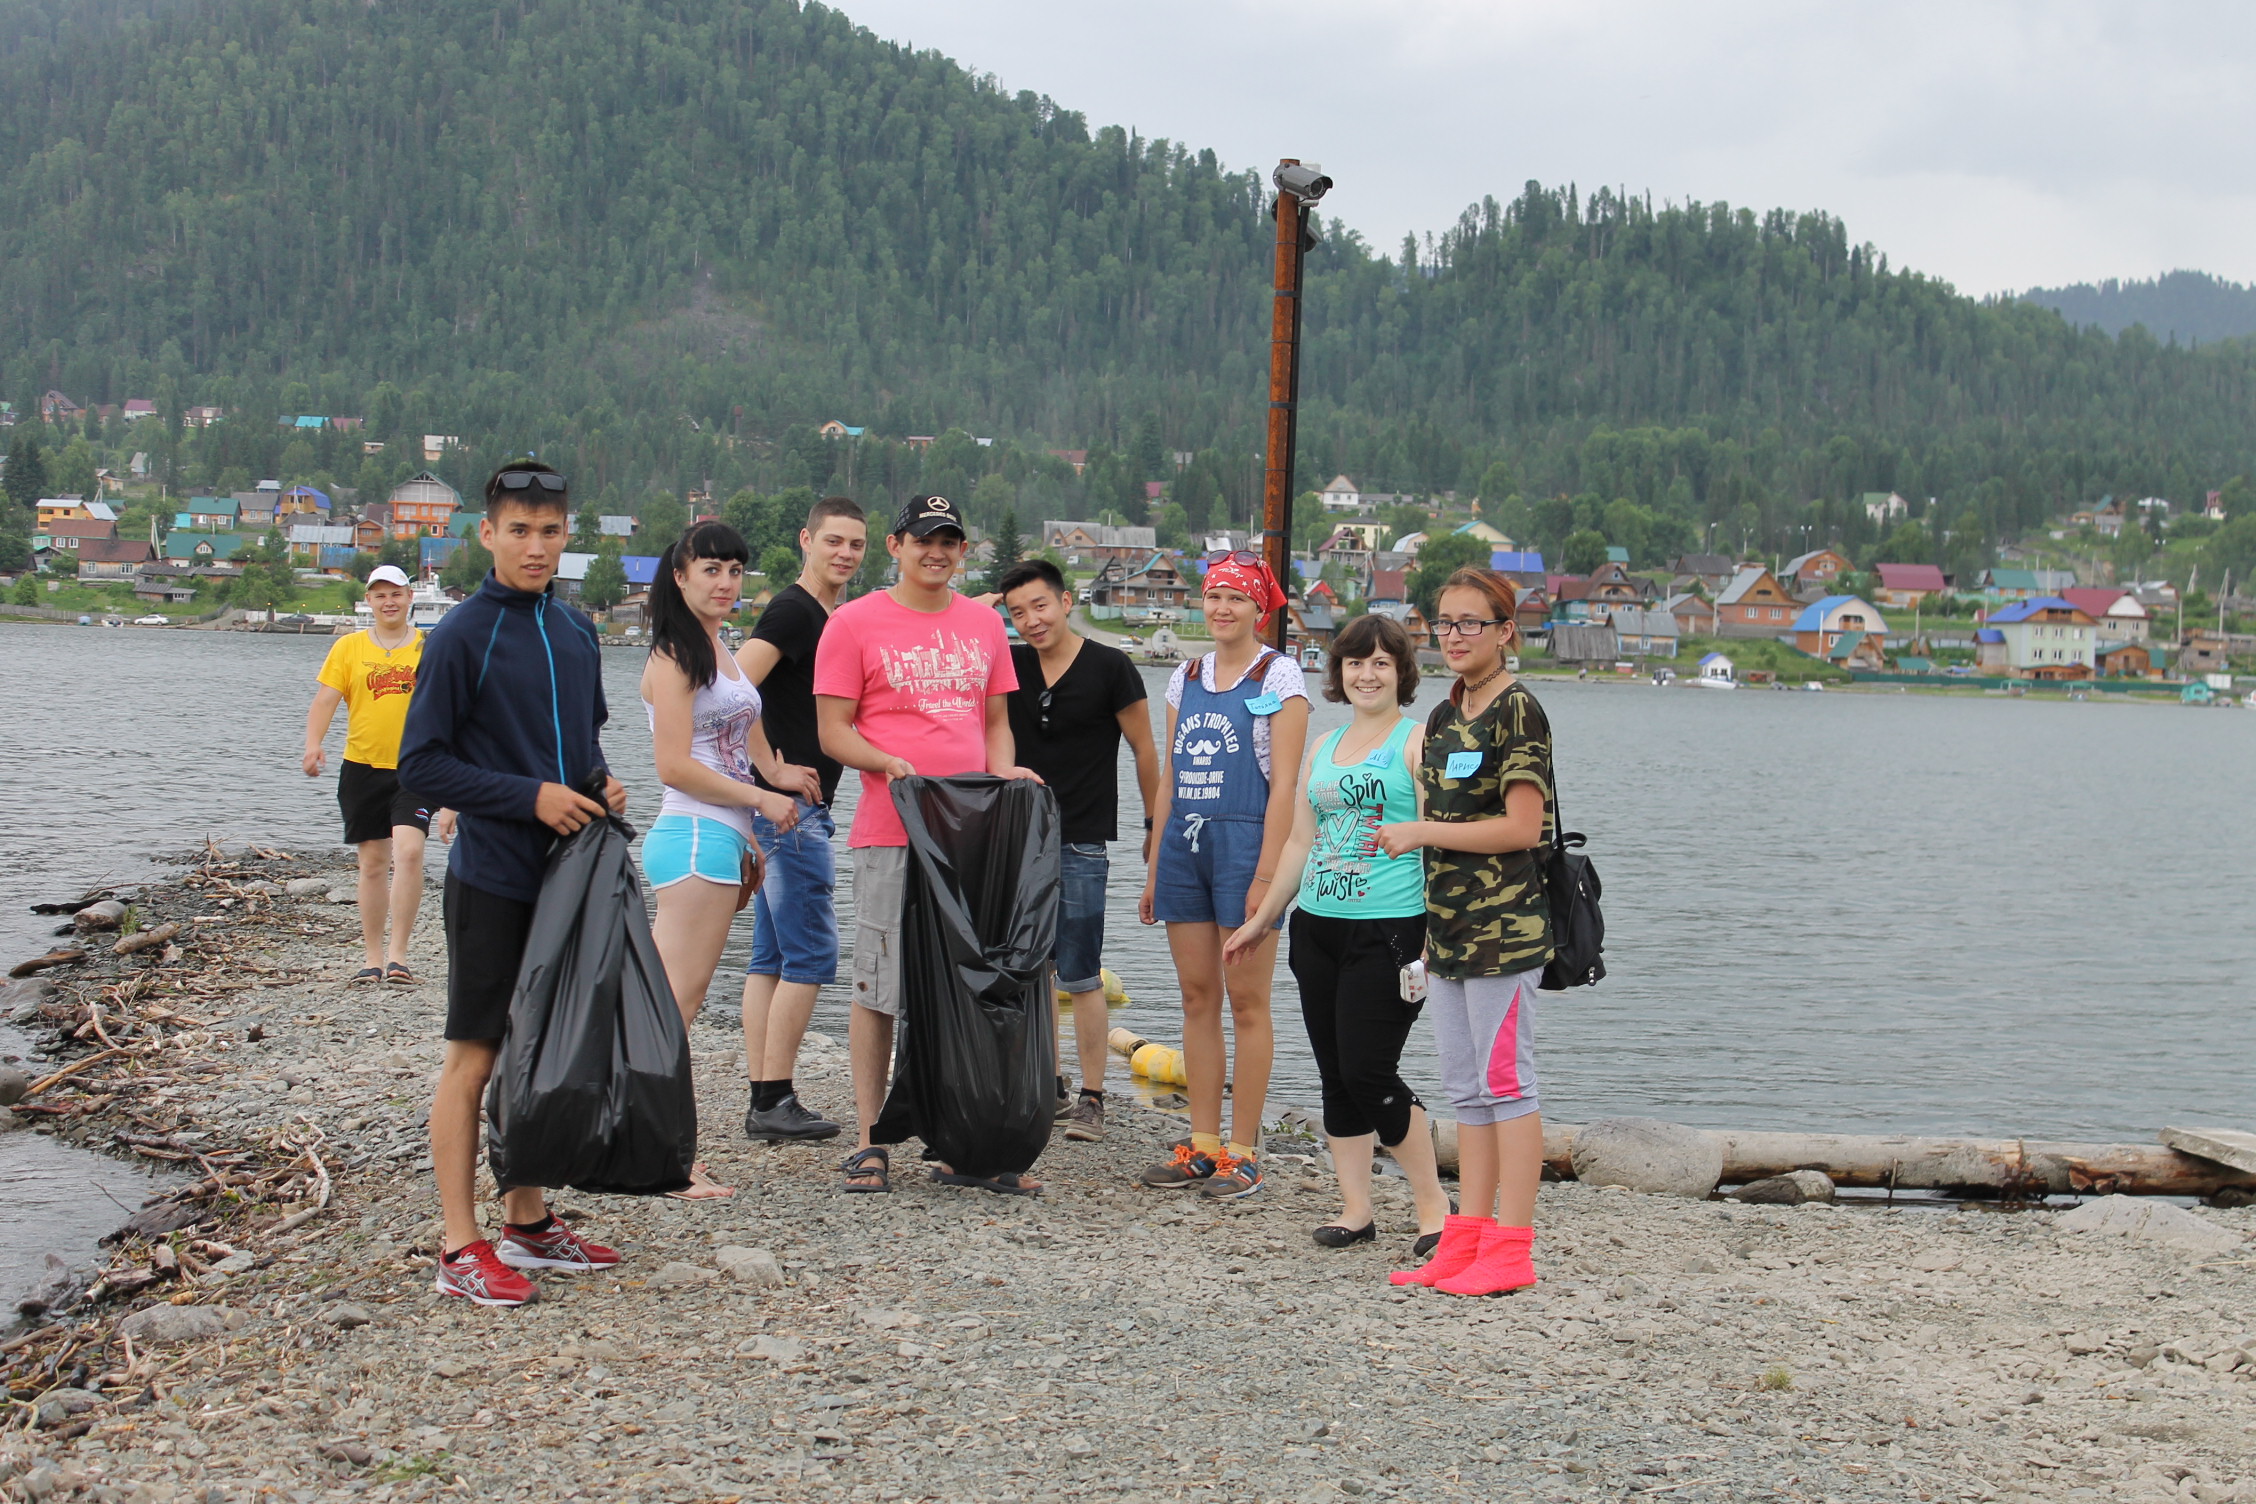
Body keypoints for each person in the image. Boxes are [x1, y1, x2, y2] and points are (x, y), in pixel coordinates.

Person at [397, 461, 628, 1307]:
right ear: (487, 534)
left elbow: (580, 743)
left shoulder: (576, 630)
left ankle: (525, 1223)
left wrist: (601, 784)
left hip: (566, 880)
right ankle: (459, 1245)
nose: (536, 547)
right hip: (493, 876)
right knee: (477, 1055)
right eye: (519, 531)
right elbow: (420, 766)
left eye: (550, 531)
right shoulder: (461, 634)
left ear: (567, 536)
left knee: (536, 1050)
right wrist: (529, 797)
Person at [814, 494, 1038, 1195]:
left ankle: (961, 1141)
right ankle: (870, 1140)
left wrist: (1004, 773)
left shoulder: (984, 623)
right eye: (923, 540)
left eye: (948, 541)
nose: (935, 552)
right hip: (891, 829)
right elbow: (833, 731)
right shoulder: (853, 623)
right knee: (879, 986)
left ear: (962, 551)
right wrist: (885, 762)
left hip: (973, 833)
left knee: (966, 987)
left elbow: (995, 722)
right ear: (896, 545)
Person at [1225, 613, 1450, 1253]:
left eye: (1381, 663)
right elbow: (1301, 841)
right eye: (1355, 662)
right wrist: (1262, 919)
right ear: (1339, 672)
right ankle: (1356, 1209)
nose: (1366, 674)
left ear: (1401, 673)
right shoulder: (1323, 746)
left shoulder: (1416, 742)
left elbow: (1438, 847)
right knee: (1335, 1073)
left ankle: (1436, 1207)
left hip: (1390, 931)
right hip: (1317, 930)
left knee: (1369, 1070)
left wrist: (1434, 936)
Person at [1376, 566, 1552, 1297]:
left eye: (1471, 622)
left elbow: (1521, 827)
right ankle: (1467, 1239)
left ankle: (1513, 1249)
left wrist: (1421, 831)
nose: (1454, 635)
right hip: (1447, 932)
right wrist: (1426, 926)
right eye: (1444, 622)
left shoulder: (1519, 710)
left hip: (1504, 932)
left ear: (1505, 631)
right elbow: (1448, 828)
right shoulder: (1446, 716)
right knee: (1465, 1089)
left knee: (1507, 1084)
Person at [640, 520, 818, 1200]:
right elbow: (674, 765)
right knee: (673, 1008)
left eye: (735, 571)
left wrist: (776, 776)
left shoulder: (720, 649)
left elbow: (746, 731)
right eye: (710, 569)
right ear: (679, 576)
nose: (725, 582)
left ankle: (643, 1145)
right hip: (694, 834)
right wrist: (760, 800)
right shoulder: (674, 656)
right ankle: (663, 1159)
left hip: (720, 836)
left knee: (669, 1003)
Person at [1138, 551, 1308, 1200]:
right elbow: (1170, 778)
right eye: (1214, 596)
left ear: (1258, 609)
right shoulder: (1184, 676)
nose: (1222, 608)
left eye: (1236, 598)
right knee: (1196, 997)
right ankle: (1201, 1145)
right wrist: (1155, 868)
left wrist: (1267, 877)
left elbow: (1285, 786)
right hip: (1186, 846)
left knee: (1247, 1003)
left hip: (1247, 847)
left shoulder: (1280, 675)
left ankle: (1244, 1152)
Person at [998, 558, 1161, 1144]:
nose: (1031, 621)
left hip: (1081, 838)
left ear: (1066, 602)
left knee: (1081, 971)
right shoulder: (1010, 664)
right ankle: (1049, 1085)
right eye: (1017, 612)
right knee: (1030, 969)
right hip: (1017, 836)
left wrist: (1154, 824)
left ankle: (1093, 1098)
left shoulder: (1110, 667)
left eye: (1040, 605)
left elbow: (1145, 750)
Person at [733, 496, 868, 1143]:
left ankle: (765, 1095)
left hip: (779, 811)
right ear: (806, 539)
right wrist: (770, 766)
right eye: (833, 540)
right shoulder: (793, 611)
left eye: (856, 544)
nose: (844, 553)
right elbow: (731, 687)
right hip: (790, 813)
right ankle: (774, 1098)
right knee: (811, 953)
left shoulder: (827, 616)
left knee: (771, 955)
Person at [301, 564, 455, 985]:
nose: (389, 602)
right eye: (380, 595)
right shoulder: (348, 647)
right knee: (372, 863)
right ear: (368, 600)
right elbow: (326, 700)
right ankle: (371, 957)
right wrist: (313, 744)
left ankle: (398, 956)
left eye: (396, 594)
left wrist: (455, 792)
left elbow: (452, 711)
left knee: (409, 852)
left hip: (416, 769)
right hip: (362, 767)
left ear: (409, 598)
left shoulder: (428, 648)